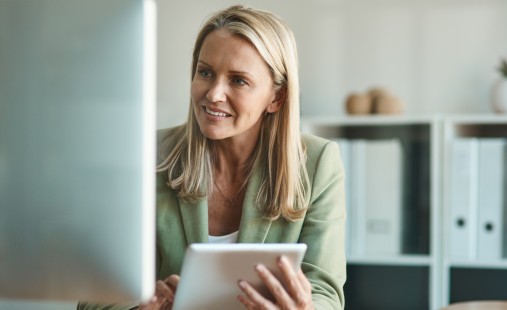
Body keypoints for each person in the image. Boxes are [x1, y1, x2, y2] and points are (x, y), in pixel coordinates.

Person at [78, 4, 346, 310]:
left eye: (238, 80)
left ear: (276, 97)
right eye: (205, 72)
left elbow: (325, 292)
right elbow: (96, 294)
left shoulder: (318, 163)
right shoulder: (146, 156)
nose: (214, 94)